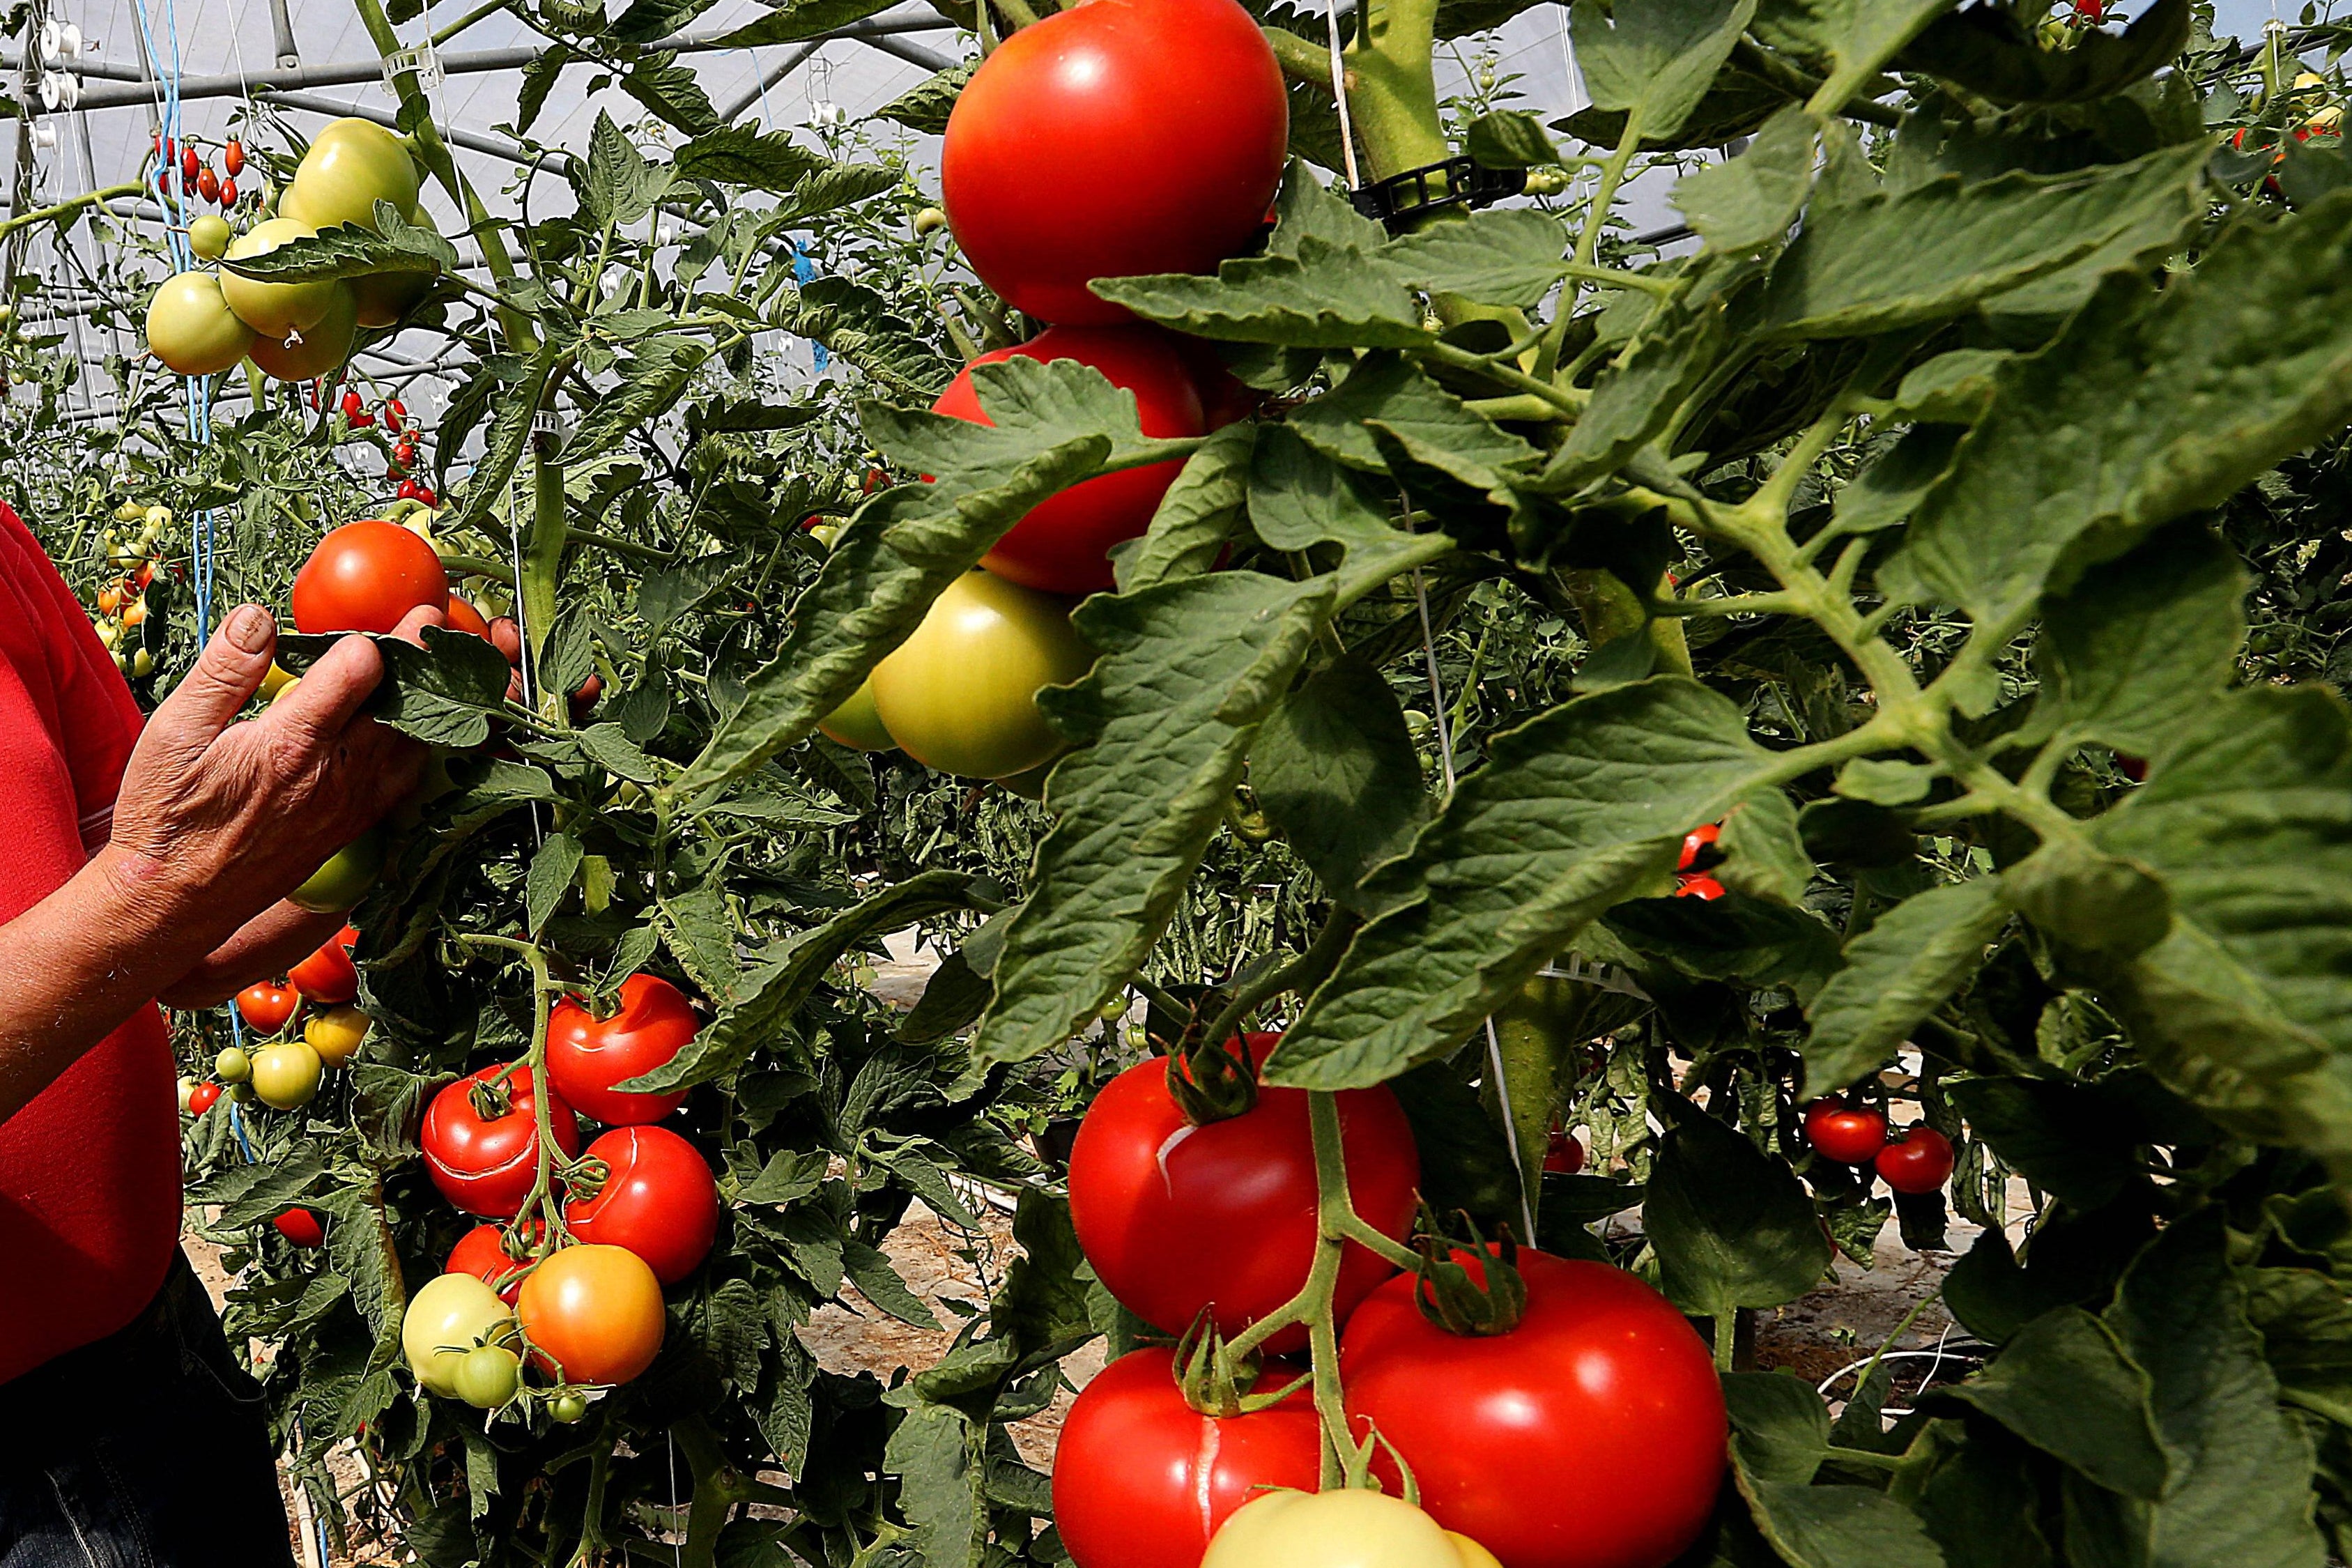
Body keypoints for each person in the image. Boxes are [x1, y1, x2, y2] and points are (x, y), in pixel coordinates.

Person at [0, 501, 436, 1568]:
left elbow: (159, 916)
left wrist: (392, 802)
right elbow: (146, 896)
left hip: (154, 1361)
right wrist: (158, 891)